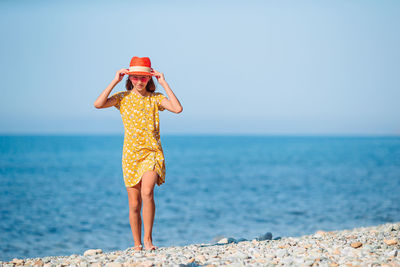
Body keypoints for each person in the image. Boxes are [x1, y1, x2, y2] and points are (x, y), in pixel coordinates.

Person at [94, 56, 183, 251]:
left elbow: (177, 108)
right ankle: (137, 244)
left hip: (152, 154)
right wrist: (114, 80)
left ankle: (149, 240)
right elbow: (98, 104)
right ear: (129, 78)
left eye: (143, 78)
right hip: (131, 156)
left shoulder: (156, 99)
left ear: (149, 79)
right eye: (135, 77)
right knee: (134, 204)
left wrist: (164, 82)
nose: (139, 81)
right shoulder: (122, 98)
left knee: (147, 192)